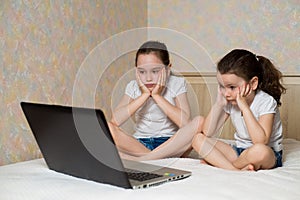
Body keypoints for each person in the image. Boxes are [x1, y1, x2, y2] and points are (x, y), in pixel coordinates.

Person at [192, 49, 286, 171]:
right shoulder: (229, 100)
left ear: (253, 83)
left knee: (260, 151)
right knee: (197, 139)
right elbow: (208, 132)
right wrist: (218, 104)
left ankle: (224, 165)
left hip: (268, 154)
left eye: (231, 87)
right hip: (239, 152)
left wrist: (244, 107)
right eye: (222, 86)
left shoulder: (266, 101)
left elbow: (261, 141)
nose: (226, 93)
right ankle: (234, 169)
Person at [108, 40, 195, 159]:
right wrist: (144, 95)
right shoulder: (133, 86)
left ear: (168, 69)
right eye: (142, 72)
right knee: (107, 127)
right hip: (140, 143)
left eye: (155, 71)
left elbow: (185, 124)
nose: (148, 78)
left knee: (198, 123)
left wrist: (157, 96)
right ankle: (153, 158)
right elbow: (115, 121)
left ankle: (144, 159)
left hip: (169, 143)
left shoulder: (176, 83)